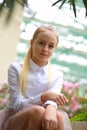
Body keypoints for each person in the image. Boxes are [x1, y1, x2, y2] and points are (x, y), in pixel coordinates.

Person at [1, 25, 72, 130]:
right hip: (15, 119)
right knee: (38, 111)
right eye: (41, 43)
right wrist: (43, 96)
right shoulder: (15, 69)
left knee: (58, 116)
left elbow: (52, 100)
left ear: (54, 49)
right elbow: (17, 105)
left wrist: (51, 109)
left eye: (51, 46)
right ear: (31, 43)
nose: (45, 49)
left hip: (42, 116)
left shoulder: (57, 75)